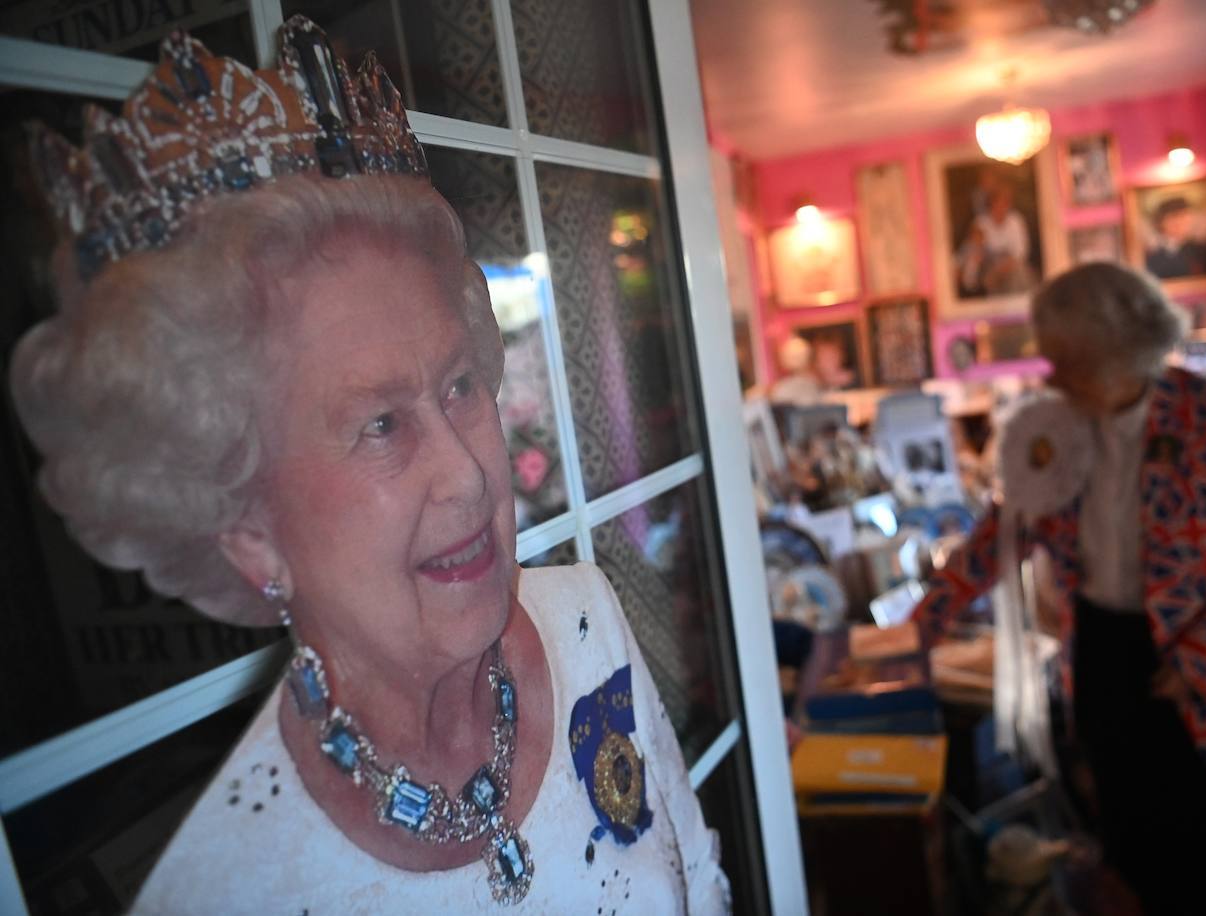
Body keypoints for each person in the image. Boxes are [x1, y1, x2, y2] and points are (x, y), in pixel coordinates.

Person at [11, 20, 728, 913]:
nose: (469, 476)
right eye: (382, 424)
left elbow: (699, 876)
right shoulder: (226, 888)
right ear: (247, 529)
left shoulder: (588, 621)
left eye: (461, 386)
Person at [912, 263, 1206, 915]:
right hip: (1113, 660)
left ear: (1121, 352)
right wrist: (913, 630)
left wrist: (1201, 659)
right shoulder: (1053, 430)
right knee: (1146, 867)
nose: (1050, 377)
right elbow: (1000, 536)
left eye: (1066, 360)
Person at [1145, 196, 1206, 279]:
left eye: (1184, 218)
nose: (1179, 224)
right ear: (1161, 222)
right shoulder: (1152, 258)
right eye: (1173, 218)